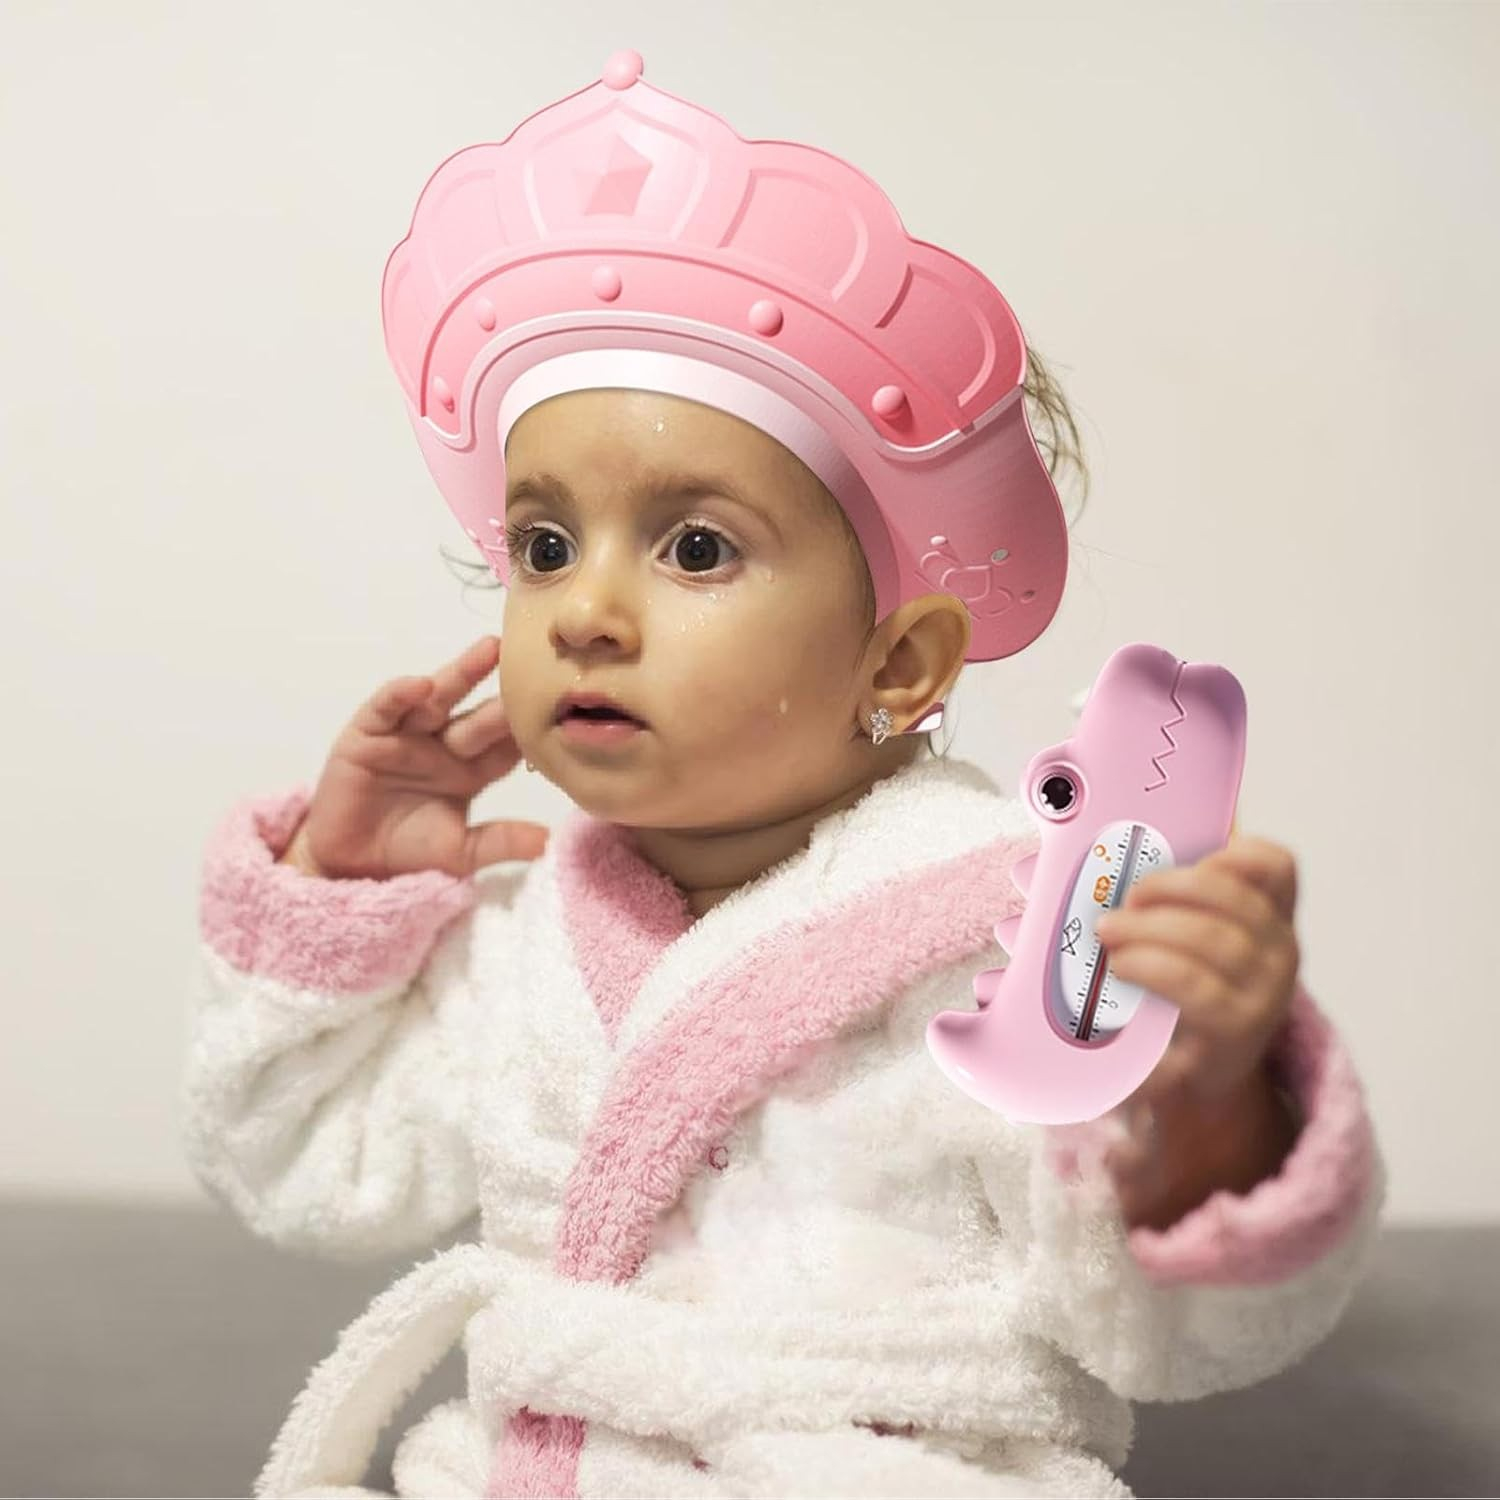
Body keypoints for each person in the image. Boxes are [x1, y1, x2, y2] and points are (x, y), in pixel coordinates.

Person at [184, 49, 1385, 1500]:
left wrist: (1209, 1105)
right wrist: (345, 893)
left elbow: (1168, 1334)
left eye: (695, 548)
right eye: (545, 546)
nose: (584, 610)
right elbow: (300, 1162)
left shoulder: (1019, 944)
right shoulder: (522, 948)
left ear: (899, 664)